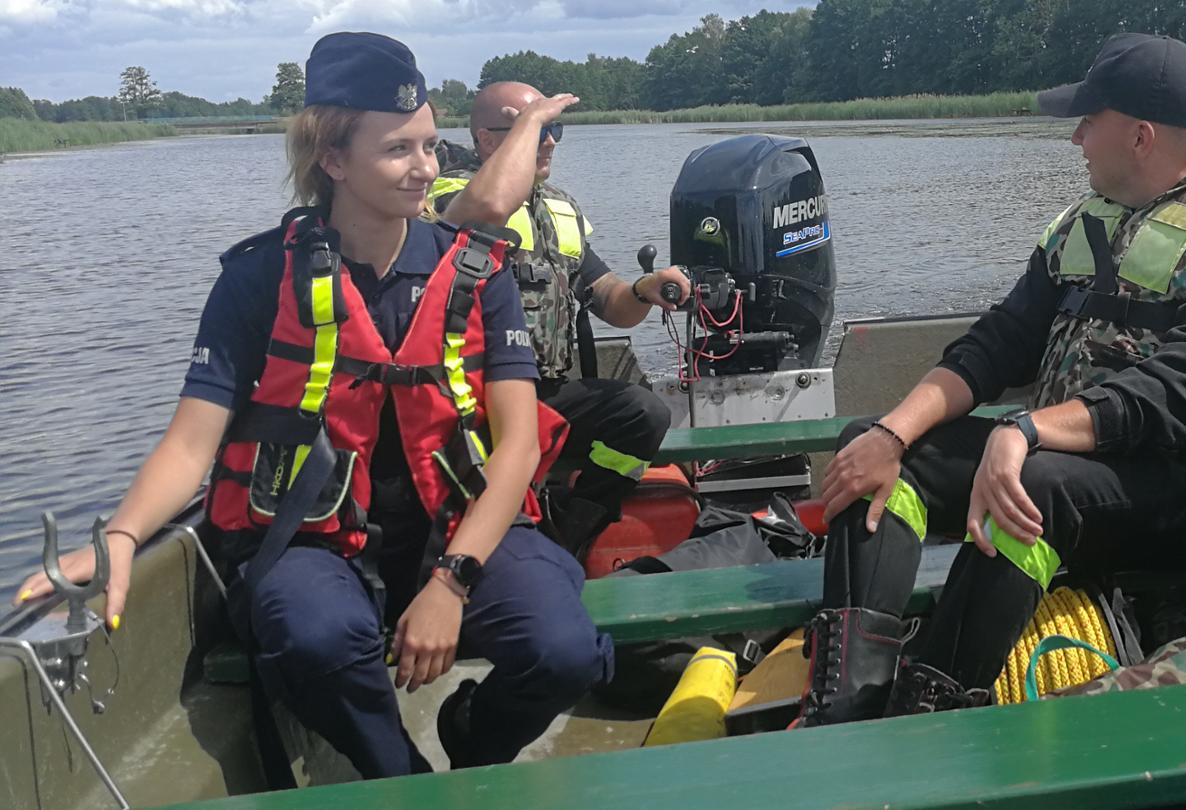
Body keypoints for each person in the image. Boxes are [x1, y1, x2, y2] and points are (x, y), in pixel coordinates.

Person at [14, 32, 612, 777]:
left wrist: (450, 581)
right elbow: (192, 443)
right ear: (332, 159)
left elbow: (518, 446)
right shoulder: (258, 279)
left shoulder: (479, 275)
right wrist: (124, 537)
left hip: (457, 527)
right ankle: (400, 777)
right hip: (314, 539)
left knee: (565, 652)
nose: (425, 168)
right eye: (398, 150)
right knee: (313, 640)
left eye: (429, 146)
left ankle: (474, 736)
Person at [797, 33, 1186, 724]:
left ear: (1141, 136)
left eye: (1089, 123)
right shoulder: (1089, 223)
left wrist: (1026, 431)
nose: (1077, 139)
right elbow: (998, 343)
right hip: (1078, 463)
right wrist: (891, 431)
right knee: (876, 454)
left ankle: (929, 710)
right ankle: (844, 705)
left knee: (1030, 484)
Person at [426, 81, 690, 556]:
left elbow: (610, 301)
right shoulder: (449, 196)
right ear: (487, 139)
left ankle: (570, 531)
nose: (549, 142)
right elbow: (481, 208)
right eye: (538, 130)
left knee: (645, 413)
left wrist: (643, 290)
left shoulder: (559, 209)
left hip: (545, 392)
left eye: (555, 130)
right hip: (468, 399)